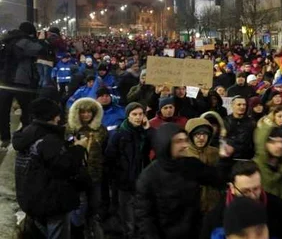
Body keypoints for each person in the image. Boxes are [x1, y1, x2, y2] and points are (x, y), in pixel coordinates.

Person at [14, 98, 90, 238]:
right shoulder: (48, 139)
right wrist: (80, 148)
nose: (60, 118)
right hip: (51, 203)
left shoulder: (28, 133)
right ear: (52, 116)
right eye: (57, 115)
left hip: (31, 199)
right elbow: (66, 167)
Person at [134, 123, 226, 239]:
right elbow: (144, 217)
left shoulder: (191, 165)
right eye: (178, 141)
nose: (185, 145)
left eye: (185, 140)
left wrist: (224, 159)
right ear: (165, 144)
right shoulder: (148, 177)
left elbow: (218, 179)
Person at [201, 161, 282, 239]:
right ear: (232, 188)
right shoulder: (214, 218)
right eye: (245, 191)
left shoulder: (277, 206)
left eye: (256, 189)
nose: (252, 196)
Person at [104, 102, 151, 238]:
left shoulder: (143, 133)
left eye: (140, 114)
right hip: (125, 183)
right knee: (128, 219)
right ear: (128, 116)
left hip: (141, 181)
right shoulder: (119, 135)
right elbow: (109, 159)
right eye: (134, 114)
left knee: (140, 216)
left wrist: (148, 130)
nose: (138, 117)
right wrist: (118, 178)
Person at [0, 22, 47, 149]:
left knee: (3, 111)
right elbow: (41, 50)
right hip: (20, 81)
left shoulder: (5, 40)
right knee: (27, 110)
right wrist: (42, 40)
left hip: (4, 80)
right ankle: (26, 137)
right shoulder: (23, 42)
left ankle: (4, 137)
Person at [67, 97, 108, 237]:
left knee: (95, 204)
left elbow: (105, 150)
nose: (86, 115)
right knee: (79, 208)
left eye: (89, 112)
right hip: (77, 176)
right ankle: (78, 231)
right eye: (83, 112)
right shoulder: (70, 130)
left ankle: (92, 227)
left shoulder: (101, 129)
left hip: (95, 174)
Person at [185, 118, 221, 213]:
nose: (201, 138)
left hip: (212, 205)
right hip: (190, 207)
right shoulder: (183, 155)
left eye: (204, 134)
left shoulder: (215, 152)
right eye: (197, 134)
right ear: (190, 136)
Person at [253, 127, 282, 205]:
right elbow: (269, 182)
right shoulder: (256, 165)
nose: (280, 146)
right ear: (264, 144)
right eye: (274, 142)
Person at [223, 95, 256, 162]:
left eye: (244, 105)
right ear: (232, 106)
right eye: (239, 104)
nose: (242, 107)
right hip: (229, 159)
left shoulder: (252, 123)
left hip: (246, 159)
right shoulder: (225, 121)